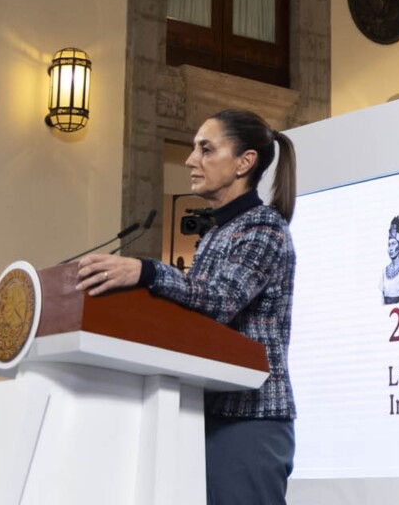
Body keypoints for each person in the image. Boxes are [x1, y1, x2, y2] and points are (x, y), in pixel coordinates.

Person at [75, 109, 298, 504]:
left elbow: (221, 300)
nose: (191, 160)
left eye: (206, 149)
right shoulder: (217, 234)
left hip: (250, 419)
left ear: (244, 162)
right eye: (194, 149)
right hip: (204, 414)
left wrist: (146, 272)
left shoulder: (264, 227)